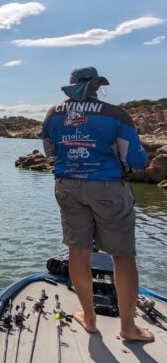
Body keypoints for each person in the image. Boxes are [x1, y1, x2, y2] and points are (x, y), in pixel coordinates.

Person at [42, 66, 153, 342]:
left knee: (78, 251)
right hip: (109, 189)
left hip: (68, 187)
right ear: (96, 86)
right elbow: (138, 160)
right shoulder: (116, 115)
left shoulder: (53, 114)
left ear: (70, 85)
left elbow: (50, 151)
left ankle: (89, 318)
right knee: (122, 255)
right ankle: (128, 327)